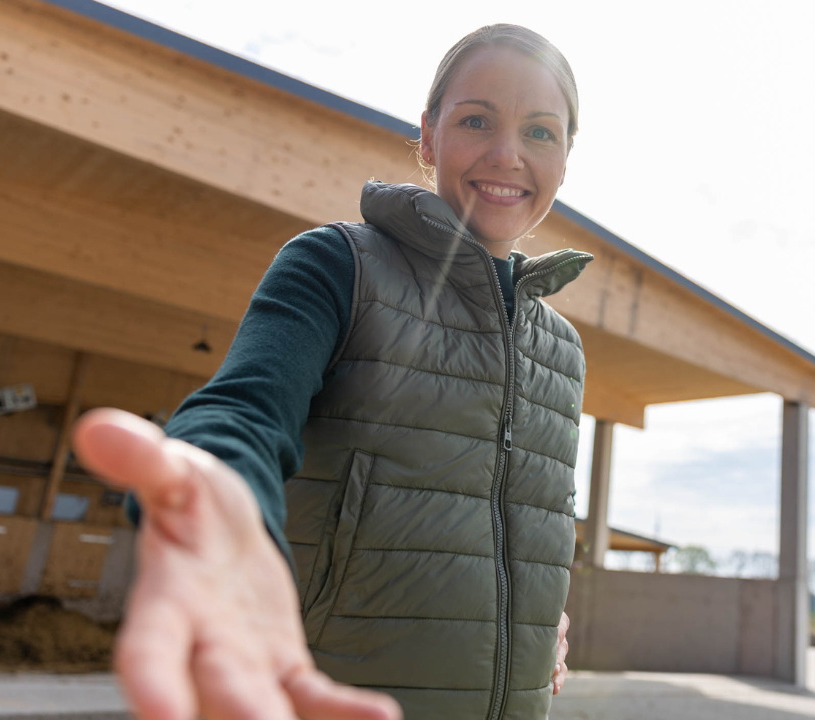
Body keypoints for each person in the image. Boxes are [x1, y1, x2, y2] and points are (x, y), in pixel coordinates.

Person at [72, 24, 589, 720]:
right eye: (476, 120)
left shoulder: (563, 348)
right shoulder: (338, 264)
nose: (507, 154)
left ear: (565, 156)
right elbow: (244, 410)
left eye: (540, 132)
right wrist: (214, 486)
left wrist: (533, 620)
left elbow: (525, 529)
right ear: (429, 136)